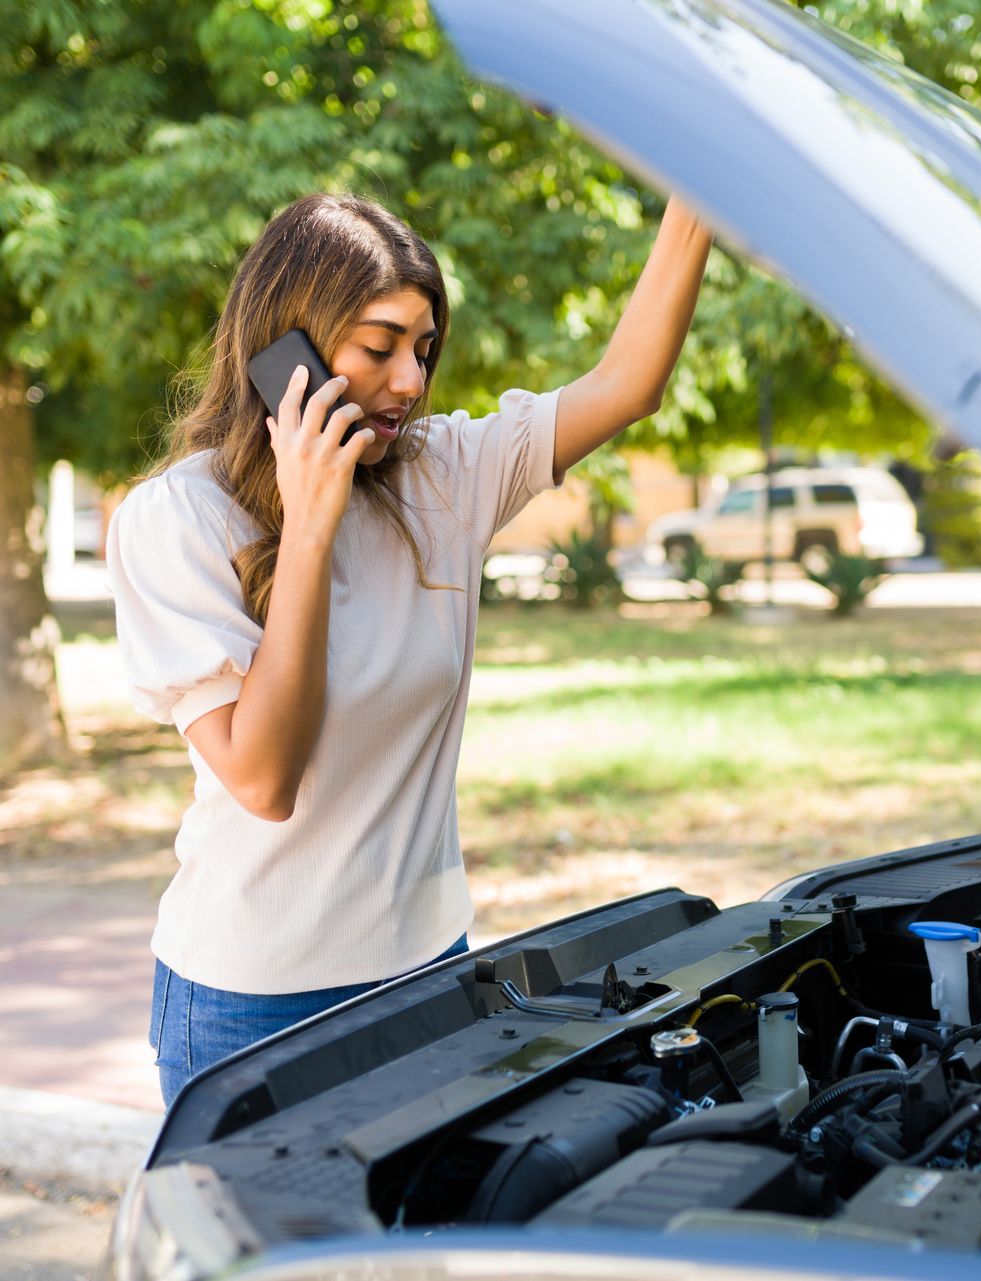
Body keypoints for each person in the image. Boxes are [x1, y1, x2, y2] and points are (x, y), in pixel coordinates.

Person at [106, 191, 712, 1105]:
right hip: (251, 1003)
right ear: (289, 346)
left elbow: (627, 384)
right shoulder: (178, 519)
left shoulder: (443, 476)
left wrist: (697, 197)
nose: (410, 381)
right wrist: (311, 524)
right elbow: (265, 779)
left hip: (430, 974)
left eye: (424, 349)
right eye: (379, 345)